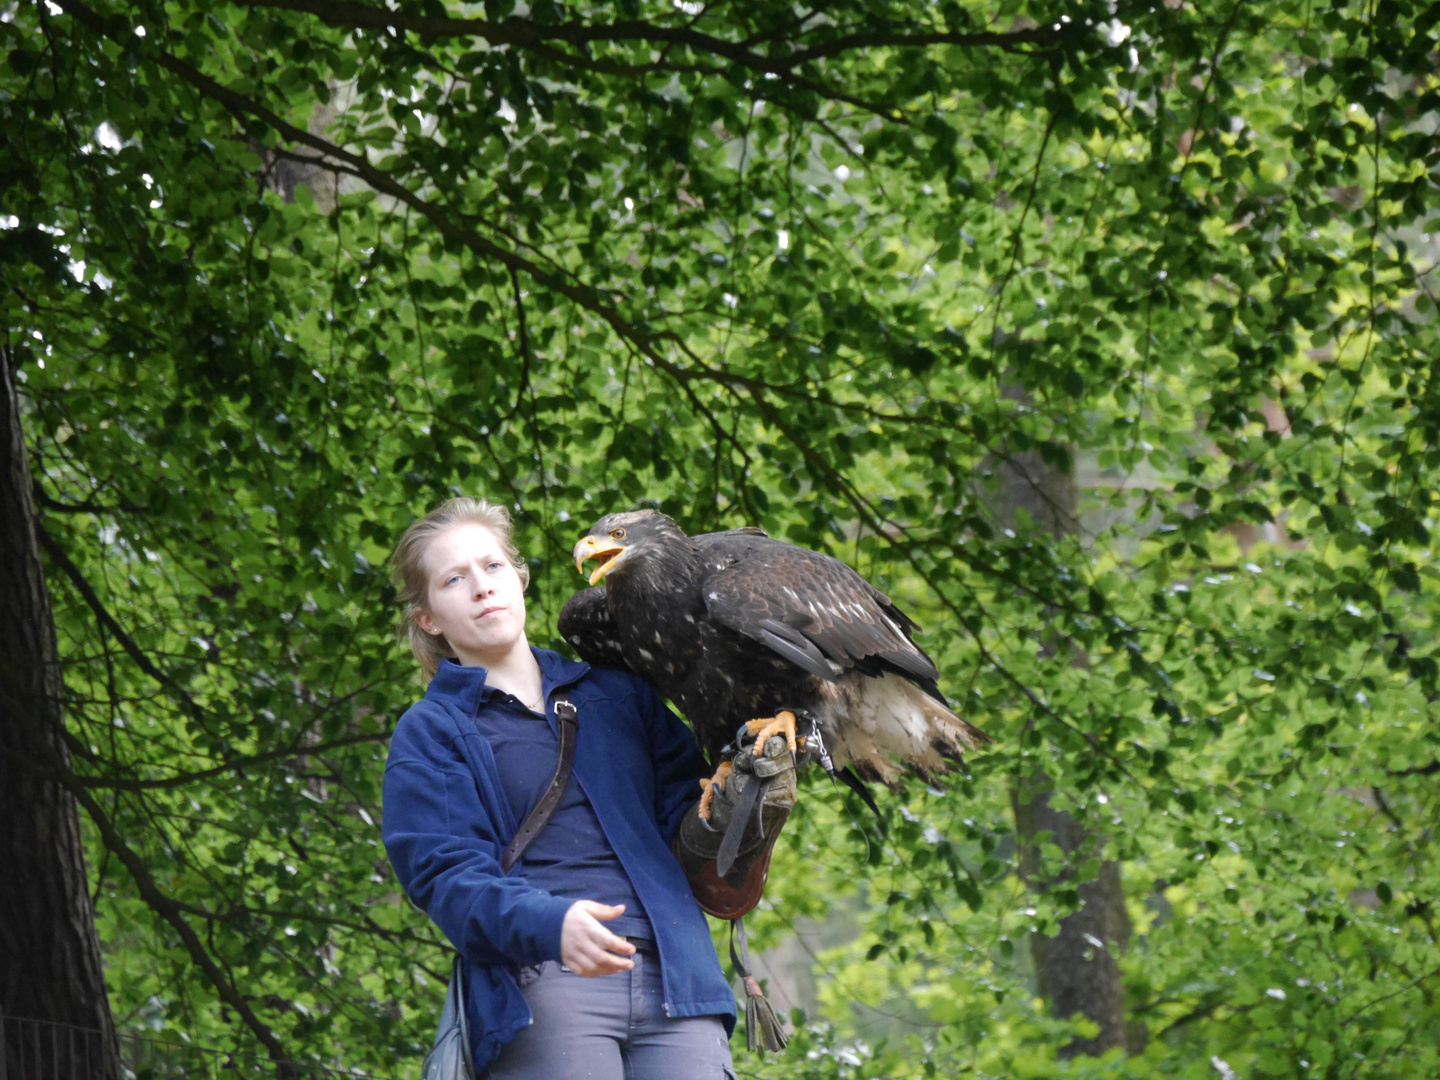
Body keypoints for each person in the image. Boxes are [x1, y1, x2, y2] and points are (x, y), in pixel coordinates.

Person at [381, 497, 741, 1079]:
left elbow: (690, 813)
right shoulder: (432, 733)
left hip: (681, 980)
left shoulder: (620, 695)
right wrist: (551, 924)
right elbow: (447, 878)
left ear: (520, 578)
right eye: (454, 579)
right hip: (541, 984)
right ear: (428, 617)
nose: (481, 588)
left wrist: (741, 807)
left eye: (493, 567)